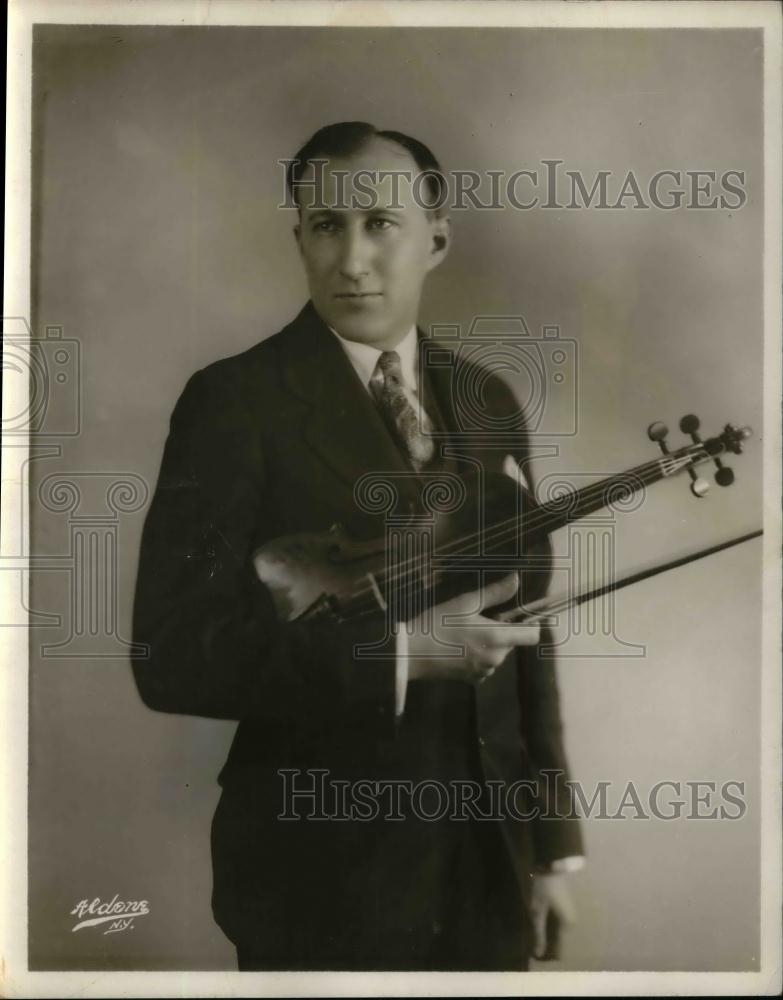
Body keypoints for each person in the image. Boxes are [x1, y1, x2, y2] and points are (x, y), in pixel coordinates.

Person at [131, 121, 584, 972]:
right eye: (325, 226)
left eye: (380, 224)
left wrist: (551, 847)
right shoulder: (235, 400)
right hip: (318, 870)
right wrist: (404, 655)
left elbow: (528, 629)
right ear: (297, 236)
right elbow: (171, 654)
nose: (350, 259)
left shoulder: (486, 399)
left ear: (436, 240)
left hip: (485, 860)